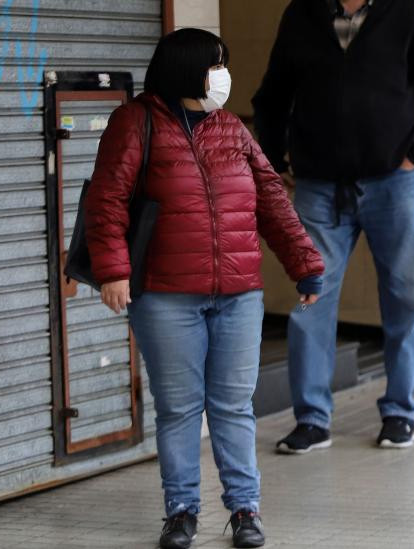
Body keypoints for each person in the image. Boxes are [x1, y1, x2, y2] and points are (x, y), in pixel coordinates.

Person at [86, 29, 325, 549]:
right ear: (186, 68)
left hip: (238, 293)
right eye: (216, 64)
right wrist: (112, 271)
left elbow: (272, 202)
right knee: (178, 407)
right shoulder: (136, 121)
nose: (223, 74)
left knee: (234, 405)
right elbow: (106, 201)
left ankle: (244, 510)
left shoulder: (232, 130)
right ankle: (180, 512)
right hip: (166, 295)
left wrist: (305, 263)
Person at [253, 0, 414, 454]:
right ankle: (313, 419)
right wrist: (275, 162)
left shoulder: (410, 8)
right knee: (311, 299)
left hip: (394, 183)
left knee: (403, 297)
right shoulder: (302, 12)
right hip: (320, 186)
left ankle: (399, 411)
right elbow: (272, 96)